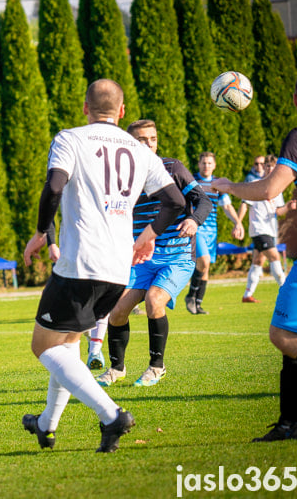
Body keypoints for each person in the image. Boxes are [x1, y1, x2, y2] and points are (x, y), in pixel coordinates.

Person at [21, 79, 184, 453]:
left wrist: (42, 231)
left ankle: (111, 415)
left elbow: (55, 186)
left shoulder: (71, 138)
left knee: (43, 347)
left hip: (81, 262)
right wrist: (149, 234)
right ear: (122, 111)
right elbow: (174, 201)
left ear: (85, 108)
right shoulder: (140, 150)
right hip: (117, 268)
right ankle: (46, 425)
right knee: (68, 341)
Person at [214, 68, 297, 441]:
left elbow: (271, 189)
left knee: (282, 335)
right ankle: (290, 423)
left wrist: (230, 186)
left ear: (295, 100)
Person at [94, 120, 212, 388]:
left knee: (154, 301)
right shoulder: (120, 178)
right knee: (117, 310)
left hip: (177, 256)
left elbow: (203, 200)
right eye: (141, 139)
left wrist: (194, 220)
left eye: (153, 139)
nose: (148, 144)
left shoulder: (172, 168)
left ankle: (156, 367)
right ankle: (116, 369)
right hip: (139, 259)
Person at [183, 152, 243, 315]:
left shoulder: (218, 185)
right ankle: (190, 296)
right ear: (199, 164)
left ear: (214, 165)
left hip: (212, 231)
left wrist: (238, 223)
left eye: (209, 163)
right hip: (197, 228)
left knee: (206, 267)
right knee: (204, 261)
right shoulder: (192, 180)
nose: (206, 166)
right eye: (204, 163)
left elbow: (227, 206)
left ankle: (197, 303)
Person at [236, 154, 294, 303]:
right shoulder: (255, 183)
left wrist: (288, 207)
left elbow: (278, 211)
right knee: (275, 257)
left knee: (258, 260)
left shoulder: (277, 188)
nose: (268, 168)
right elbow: (245, 204)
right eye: (266, 165)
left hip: (270, 230)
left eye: (271, 166)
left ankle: (247, 294)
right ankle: (286, 291)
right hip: (259, 229)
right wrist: (238, 222)